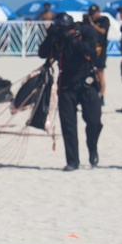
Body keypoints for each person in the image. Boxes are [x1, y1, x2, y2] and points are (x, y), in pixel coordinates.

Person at [38, 12, 102, 171]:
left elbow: (91, 50)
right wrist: (51, 37)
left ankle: (92, 149)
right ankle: (73, 161)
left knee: (94, 122)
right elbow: (42, 53)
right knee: (68, 125)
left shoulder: (85, 31)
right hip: (66, 83)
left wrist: (70, 39)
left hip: (87, 81)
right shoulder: (58, 36)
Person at [83, 4, 110, 105]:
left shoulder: (104, 20)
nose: (93, 16)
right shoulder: (88, 21)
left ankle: (101, 96)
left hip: (101, 50)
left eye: (94, 13)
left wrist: (92, 24)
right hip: (90, 50)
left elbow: (103, 31)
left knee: (100, 73)